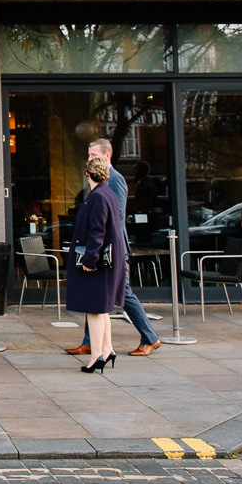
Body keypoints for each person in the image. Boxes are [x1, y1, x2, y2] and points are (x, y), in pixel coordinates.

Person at [65, 138, 161, 357]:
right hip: (104, 247)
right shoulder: (100, 179)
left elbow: (115, 218)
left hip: (111, 249)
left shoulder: (115, 180)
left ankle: (150, 337)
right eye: (88, 155)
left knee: (123, 293)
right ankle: (90, 342)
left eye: (93, 155)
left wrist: (101, 250)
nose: (89, 159)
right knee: (95, 293)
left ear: (107, 156)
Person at [65, 155, 127, 374]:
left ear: (87, 174)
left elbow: (97, 231)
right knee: (102, 310)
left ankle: (96, 357)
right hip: (109, 260)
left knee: (94, 310)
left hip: (99, 262)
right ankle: (107, 350)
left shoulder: (97, 196)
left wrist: (90, 260)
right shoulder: (108, 193)